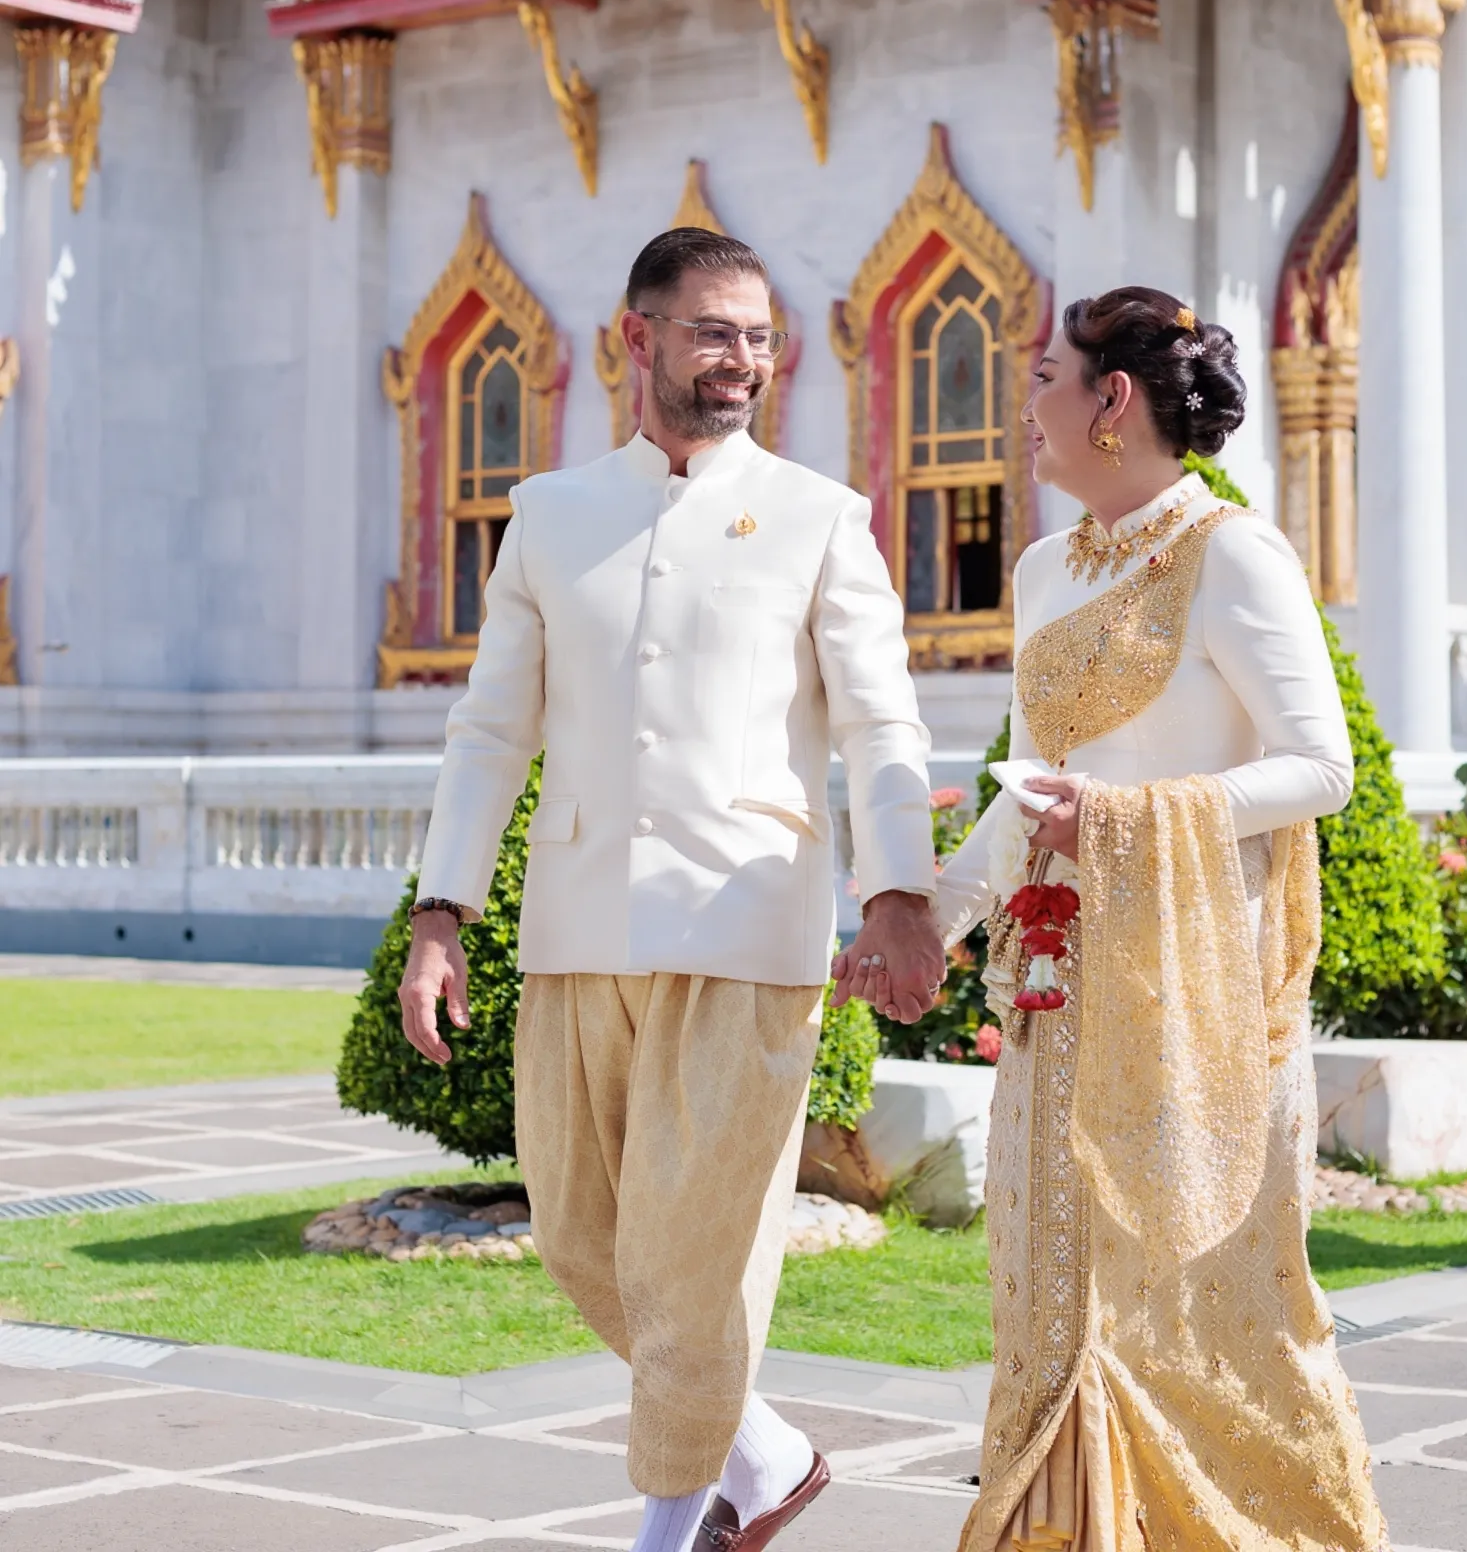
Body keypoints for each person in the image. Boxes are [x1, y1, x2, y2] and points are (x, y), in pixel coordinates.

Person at [398, 227, 946, 1552]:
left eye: (759, 336)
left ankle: (671, 1531)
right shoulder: (550, 515)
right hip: (577, 928)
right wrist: (440, 915)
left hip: (748, 929)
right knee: (587, 1241)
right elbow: (488, 732)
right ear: (637, 339)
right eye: (713, 332)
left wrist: (897, 893)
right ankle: (766, 1459)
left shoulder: (822, 517)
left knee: (692, 1258)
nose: (743, 359)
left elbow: (880, 726)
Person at [935, 287, 1389, 1551]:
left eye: (1042, 379)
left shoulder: (1232, 553)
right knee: (1055, 1289)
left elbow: (1321, 766)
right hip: (1062, 985)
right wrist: (931, 914)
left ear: (1110, 400)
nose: (1025, 409)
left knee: (1202, 1304)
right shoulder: (1040, 571)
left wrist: (1131, 821)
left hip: (1193, 990)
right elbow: (1032, 791)